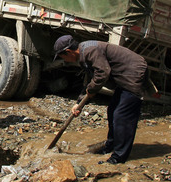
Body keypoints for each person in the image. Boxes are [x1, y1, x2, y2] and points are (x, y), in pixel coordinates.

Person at [54, 35, 147, 164]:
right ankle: (111, 146)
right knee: (112, 110)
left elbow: (103, 72)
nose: (65, 60)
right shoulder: (83, 55)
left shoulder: (90, 51)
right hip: (124, 75)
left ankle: (119, 157)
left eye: (63, 57)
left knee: (121, 116)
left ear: (68, 52)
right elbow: (90, 81)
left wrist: (92, 90)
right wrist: (78, 104)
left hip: (132, 72)